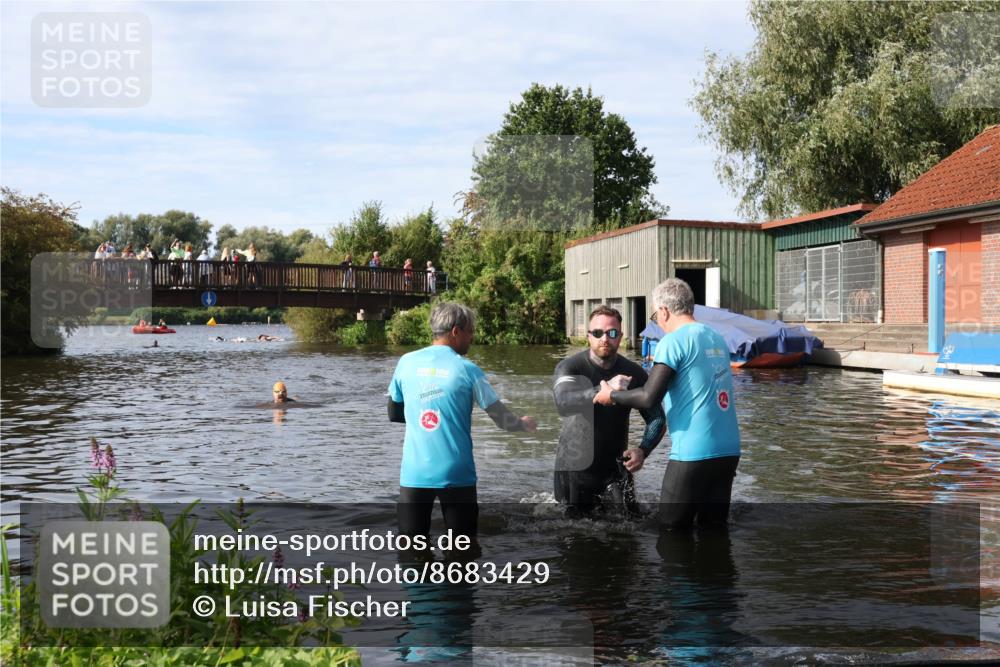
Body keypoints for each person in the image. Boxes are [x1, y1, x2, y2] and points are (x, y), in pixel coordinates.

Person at [594, 278, 741, 530]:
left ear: (664, 311)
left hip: (693, 452)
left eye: (655, 314)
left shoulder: (672, 341)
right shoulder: (716, 337)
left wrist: (612, 396)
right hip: (729, 451)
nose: (657, 321)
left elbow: (649, 397)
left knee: (672, 532)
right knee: (713, 531)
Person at [387, 302, 537, 540]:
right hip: (456, 474)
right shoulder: (468, 369)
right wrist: (523, 424)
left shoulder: (406, 361)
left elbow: (394, 414)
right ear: (456, 331)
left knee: (411, 551)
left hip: (414, 474)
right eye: (470, 331)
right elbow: (502, 420)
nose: (472, 337)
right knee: (462, 550)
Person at [553, 305, 665, 517]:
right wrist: (602, 390)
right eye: (597, 333)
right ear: (588, 336)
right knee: (572, 534)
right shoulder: (570, 368)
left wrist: (643, 450)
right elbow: (563, 403)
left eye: (612, 333)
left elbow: (657, 419)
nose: (604, 338)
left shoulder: (634, 374)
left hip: (616, 470)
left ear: (620, 336)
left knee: (631, 531)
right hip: (574, 471)